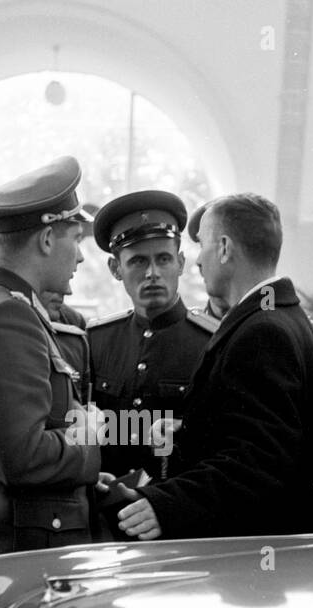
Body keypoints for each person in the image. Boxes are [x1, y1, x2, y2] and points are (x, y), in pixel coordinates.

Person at [112, 193, 313, 540]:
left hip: (249, 549)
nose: (198, 261)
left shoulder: (263, 331)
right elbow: (257, 432)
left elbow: (260, 461)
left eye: (203, 245)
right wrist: (188, 431)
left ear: (225, 248)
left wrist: (167, 504)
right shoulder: (285, 318)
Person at [0, 155, 100, 559]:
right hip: (16, 547)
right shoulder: (9, 316)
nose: (80, 257)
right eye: (75, 239)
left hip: (2, 539)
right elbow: (21, 459)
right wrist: (90, 435)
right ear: (46, 239)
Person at [87, 190, 218, 480]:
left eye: (163, 259)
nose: (152, 273)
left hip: (174, 513)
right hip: (104, 506)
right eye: (138, 261)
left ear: (181, 263)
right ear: (115, 268)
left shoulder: (213, 343)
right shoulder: (96, 341)